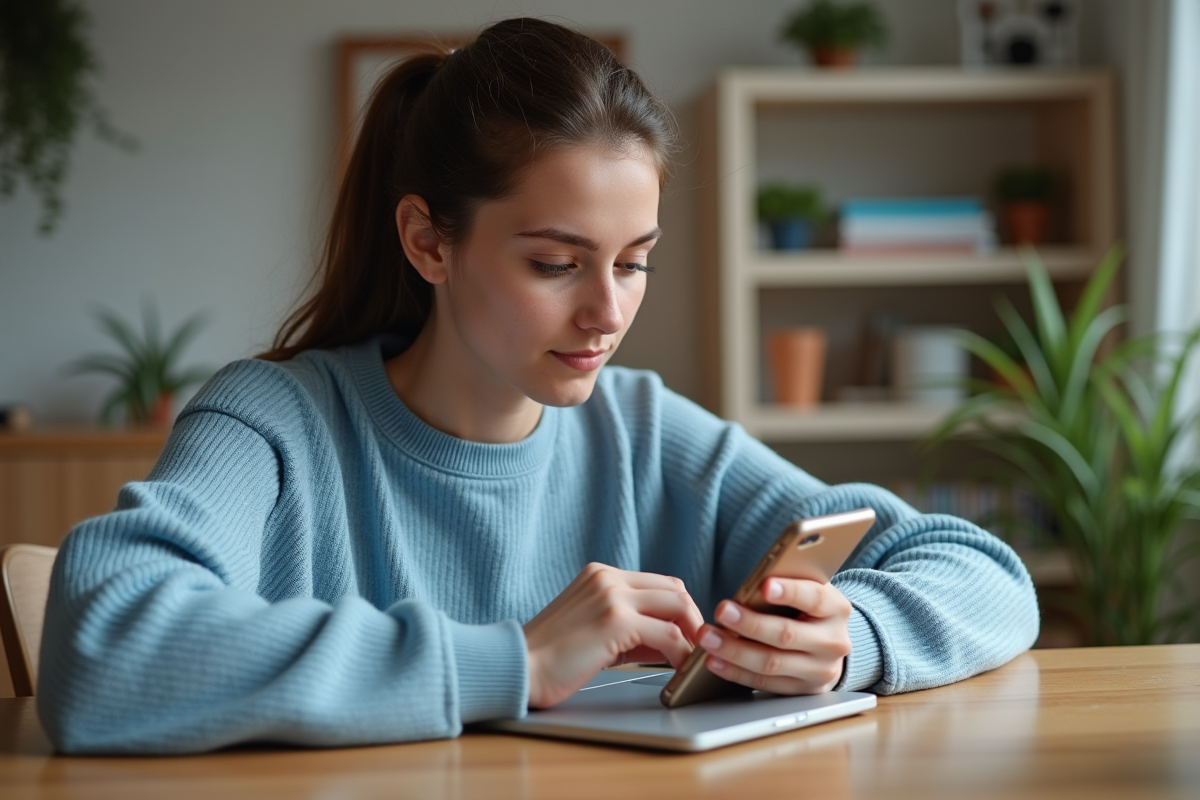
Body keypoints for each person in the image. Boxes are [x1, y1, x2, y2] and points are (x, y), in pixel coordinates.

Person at [37, 18, 1039, 754]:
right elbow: (102, 645)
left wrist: (848, 635)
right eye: (557, 263)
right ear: (430, 240)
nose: (607, 310)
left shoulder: (645, 430)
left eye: (634, 259)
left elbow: (982, 570)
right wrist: (512, 658)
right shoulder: (273, 421)